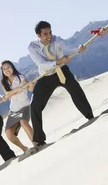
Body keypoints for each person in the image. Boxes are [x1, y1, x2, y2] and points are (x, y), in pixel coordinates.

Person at [27, 21, 93, 149]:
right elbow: (42, 64)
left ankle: (90, 117)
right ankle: (39, 140)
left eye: (50, 32)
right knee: (35, 105)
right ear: (38, 36)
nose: (49, 36)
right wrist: (59, 61)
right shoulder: (32, 47)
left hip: (62, 71)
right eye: (45, 34)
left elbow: (69, 47)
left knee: (76, 91)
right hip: (46, 76)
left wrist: (79, 49)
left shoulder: (57, 40)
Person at [0, 60, 34, 153]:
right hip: (14, 110)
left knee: (23, 122)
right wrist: (17, 90)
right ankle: (25, 149)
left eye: (8, 67)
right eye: (4, 69)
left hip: (25, 106)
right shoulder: (3, 81)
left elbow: (30, 89)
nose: (7, 70)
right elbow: (7, 94)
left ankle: (37, 143)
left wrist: (30, 85)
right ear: (2, 71)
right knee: (8, 133)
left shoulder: (20, 77)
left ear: (12, 67)